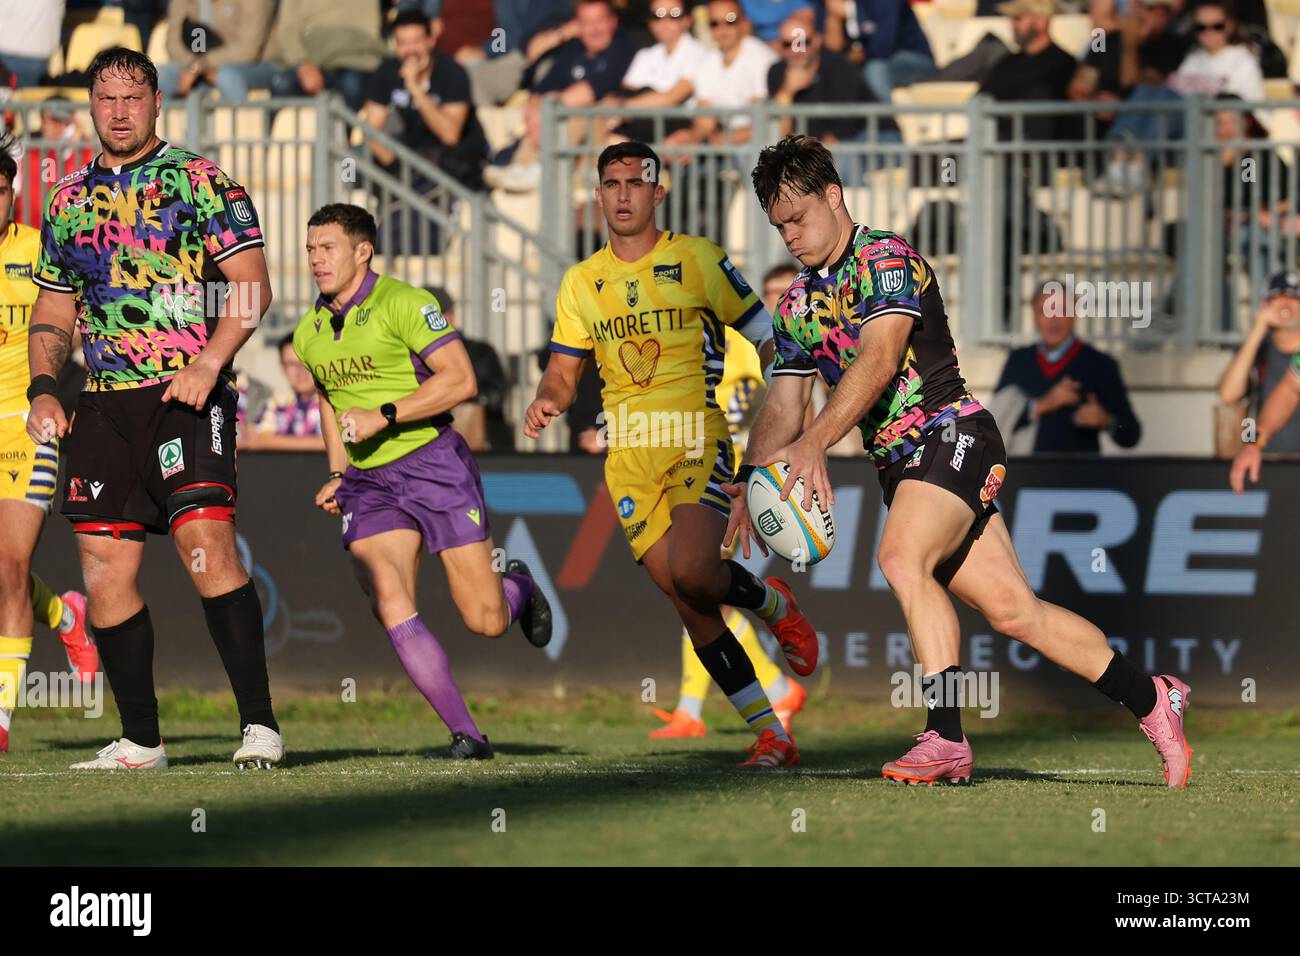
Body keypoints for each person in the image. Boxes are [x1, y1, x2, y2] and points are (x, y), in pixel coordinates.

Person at [730, 134, 1192, 787]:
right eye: (780, 226)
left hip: (953, 433)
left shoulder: (886, 257)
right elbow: (782, 406)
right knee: (1014, 612)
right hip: (902, 463)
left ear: (833, 195)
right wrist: (751, 480)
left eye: (799, 217)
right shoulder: (797, 304)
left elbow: (881, 357)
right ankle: (1154, 698)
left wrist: (814, 442)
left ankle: (944, 737)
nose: (791, 236)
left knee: (899, 560)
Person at [524, 141, 820, 768]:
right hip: (627, 457)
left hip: (695, 436)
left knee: (695, 572)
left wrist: (786, 399)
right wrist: (546, 400)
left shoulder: (697, 260)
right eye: (612, 183)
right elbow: (562, 373)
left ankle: (775, 606)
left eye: (636, 182)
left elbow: (767, 336)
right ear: (598, 194)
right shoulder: (581, 283)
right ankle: (773, 731)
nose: (623, 194)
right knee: (690, 601)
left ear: (659, 193)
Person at [27, 48, 282, 771]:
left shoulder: (200, 180)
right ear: (89, 107)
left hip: (185, 393)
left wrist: (210, 361)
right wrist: (45, 387)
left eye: (131, 97)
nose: (117, 110)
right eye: (104, 99)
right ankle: (142, 740)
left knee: (207, 550)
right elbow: (54, 305)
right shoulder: (66, 197)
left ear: (157, 100)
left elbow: (251, 285)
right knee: (103, 570)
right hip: (103, 406)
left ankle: (259, 726)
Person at [296, 203, 553, 760]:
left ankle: (520, 588)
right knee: (387, 597)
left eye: (328, 247)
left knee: (485, 621)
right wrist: (338, 471)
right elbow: (328, 398)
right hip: (368, 480)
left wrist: (385, 414)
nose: (316, 259)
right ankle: (468, 735)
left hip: (433, 464)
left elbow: (460, 381)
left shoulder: (406, 303)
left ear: (363, 251)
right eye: (311, 248)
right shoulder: (308, 331)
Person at [649, 266, 809, 740]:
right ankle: (707, 704)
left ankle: (713, 704)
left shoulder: (794, 348)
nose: (781, 300)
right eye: (772, 292)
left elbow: (798, 413)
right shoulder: (740, 343)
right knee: (699, 586)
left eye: (788, 292)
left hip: (746, 484)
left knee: (698, 586)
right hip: (713, 477)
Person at [0, 134, 96, 753]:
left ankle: (0, 722)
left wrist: (57, 391)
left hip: (25, 424)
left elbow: (77, 329)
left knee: (9, 566)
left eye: (4, 190)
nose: (0, 201)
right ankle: (65, 616)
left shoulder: (39, 251)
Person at [486, 0, 635, 192]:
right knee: (543, 114)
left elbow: (588, 92)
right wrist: (537, 108)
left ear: (613, 22)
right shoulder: (574, 49)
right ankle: (519, 166)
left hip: (598, 133)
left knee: (574, 111)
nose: (594, 29)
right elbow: (541, 89)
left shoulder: (621, 46)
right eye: (587, 22)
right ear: (577, 25)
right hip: (554, 131)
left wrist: (544, 109)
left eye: (600, 20)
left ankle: (535, 166)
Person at [992, 284, 1142, 454]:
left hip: (1079, 475)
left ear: (1074, 315)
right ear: (1034, 315)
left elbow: (1132, 434)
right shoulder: (1019, 360)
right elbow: (993, 422)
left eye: (1062, 310)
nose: (1053, 320)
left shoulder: (1100, 364)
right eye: (1045, 311)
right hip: (1026, 472)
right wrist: (1042, 405)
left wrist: (1106, 421)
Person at [361, 10, 490, 193]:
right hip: (406, 160)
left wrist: (415, 89)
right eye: (403, 43)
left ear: (431, 40)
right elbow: (372, 130)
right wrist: (399, 171)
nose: (410, 50)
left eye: (416, 41)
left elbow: (449, 135)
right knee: (353, 163)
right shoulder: (385, 72)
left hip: (453, 162)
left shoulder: (452, 73)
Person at [768, 13, 899, 145]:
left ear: (817, 41)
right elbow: (780, 137)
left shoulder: (840, 67)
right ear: (779, 45)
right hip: (822, 147)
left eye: (803, 42)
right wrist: (787, 93)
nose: (795, 51)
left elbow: (842, 130)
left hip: (877, 139)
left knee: (842, 153)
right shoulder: (776, 72)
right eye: (787, 44)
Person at [1217, 270, 1300, 457]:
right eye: (1278, 297)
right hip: (1260, 458)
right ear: (1265, 303)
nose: (1286, 304)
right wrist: (1257, 330)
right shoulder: (1257, 350)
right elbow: (1228, 395)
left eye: (1294, 298)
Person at [603, 3, 707, 144]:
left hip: (676, 130)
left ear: (687, 20)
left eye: (674, 14)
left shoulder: (699, 54)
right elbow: (625, 91)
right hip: (640, 127)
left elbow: (671, 98)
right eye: (657, 15)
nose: (664, 22)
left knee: (611, 140)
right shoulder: (645, 55)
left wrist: (623, 107)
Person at [158, 0, 277, 101]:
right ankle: (174, 128)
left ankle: (238, 127)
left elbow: (248, 51)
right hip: (196, 65)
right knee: (161, 77)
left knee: (227, 76)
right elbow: (173, 43)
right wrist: (195, 66)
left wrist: (202, 65)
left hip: (257, 64)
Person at [825, 0, 937, 102]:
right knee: (833, 72)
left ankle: (882, 123)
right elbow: (830, 54)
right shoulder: (827, 6)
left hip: (914, 61)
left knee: (876, 69)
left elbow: (882, 48)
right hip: (870, 61)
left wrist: (851, 13)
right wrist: (834, 19)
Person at [238, 334, 326, 452]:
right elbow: (252, 439)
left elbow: (336, 445)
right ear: (282, 367)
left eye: (306, 363)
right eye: (291, 364)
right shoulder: (278, 402)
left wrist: (268, 442)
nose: (300, 371)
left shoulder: (331, 402)